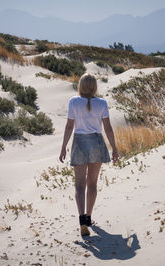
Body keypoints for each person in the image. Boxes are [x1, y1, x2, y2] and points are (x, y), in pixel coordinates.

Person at [59, 73, 118, 236]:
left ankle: (82, 220)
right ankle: (89, 217)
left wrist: (63, 147)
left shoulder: (74, 101)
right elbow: (108, 128)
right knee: (92, 184)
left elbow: (69, 126)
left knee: (79, 184)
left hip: (79, 143)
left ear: (81, 86)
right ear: (94, 87)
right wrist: (114, 148)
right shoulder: (102, 103)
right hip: (97, 143)